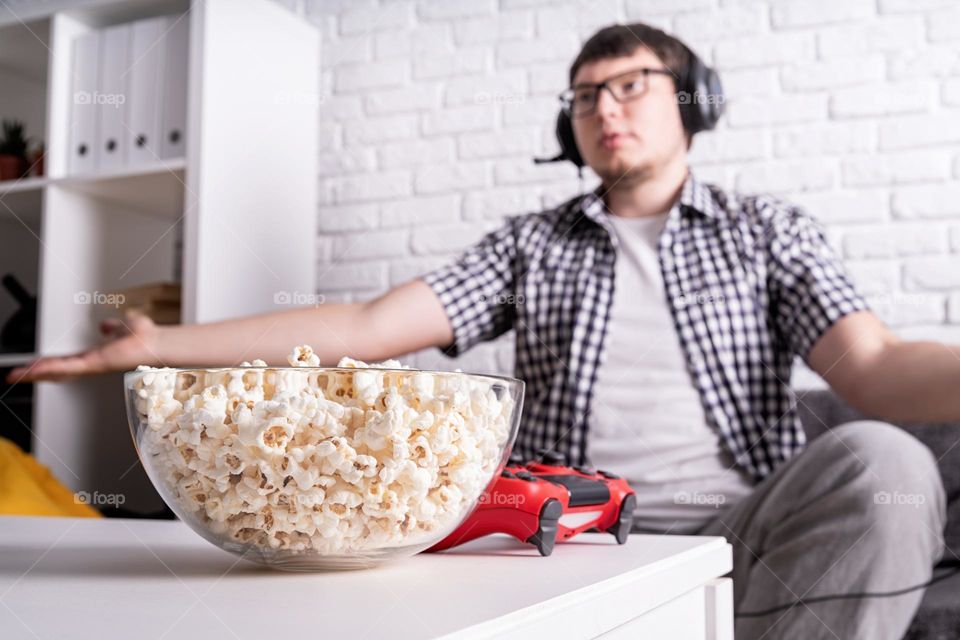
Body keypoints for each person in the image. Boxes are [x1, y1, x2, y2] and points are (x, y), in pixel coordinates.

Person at [7, 22, 953, 639]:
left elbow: (872, 367)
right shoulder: (529, 247)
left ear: (690, 103)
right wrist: (155, 347)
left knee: (887, 462)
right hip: (584, 529)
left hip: (747, 521)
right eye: (585, 97)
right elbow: (368, 325)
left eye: (630, 85)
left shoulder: (768, 232)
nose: (605, 108)